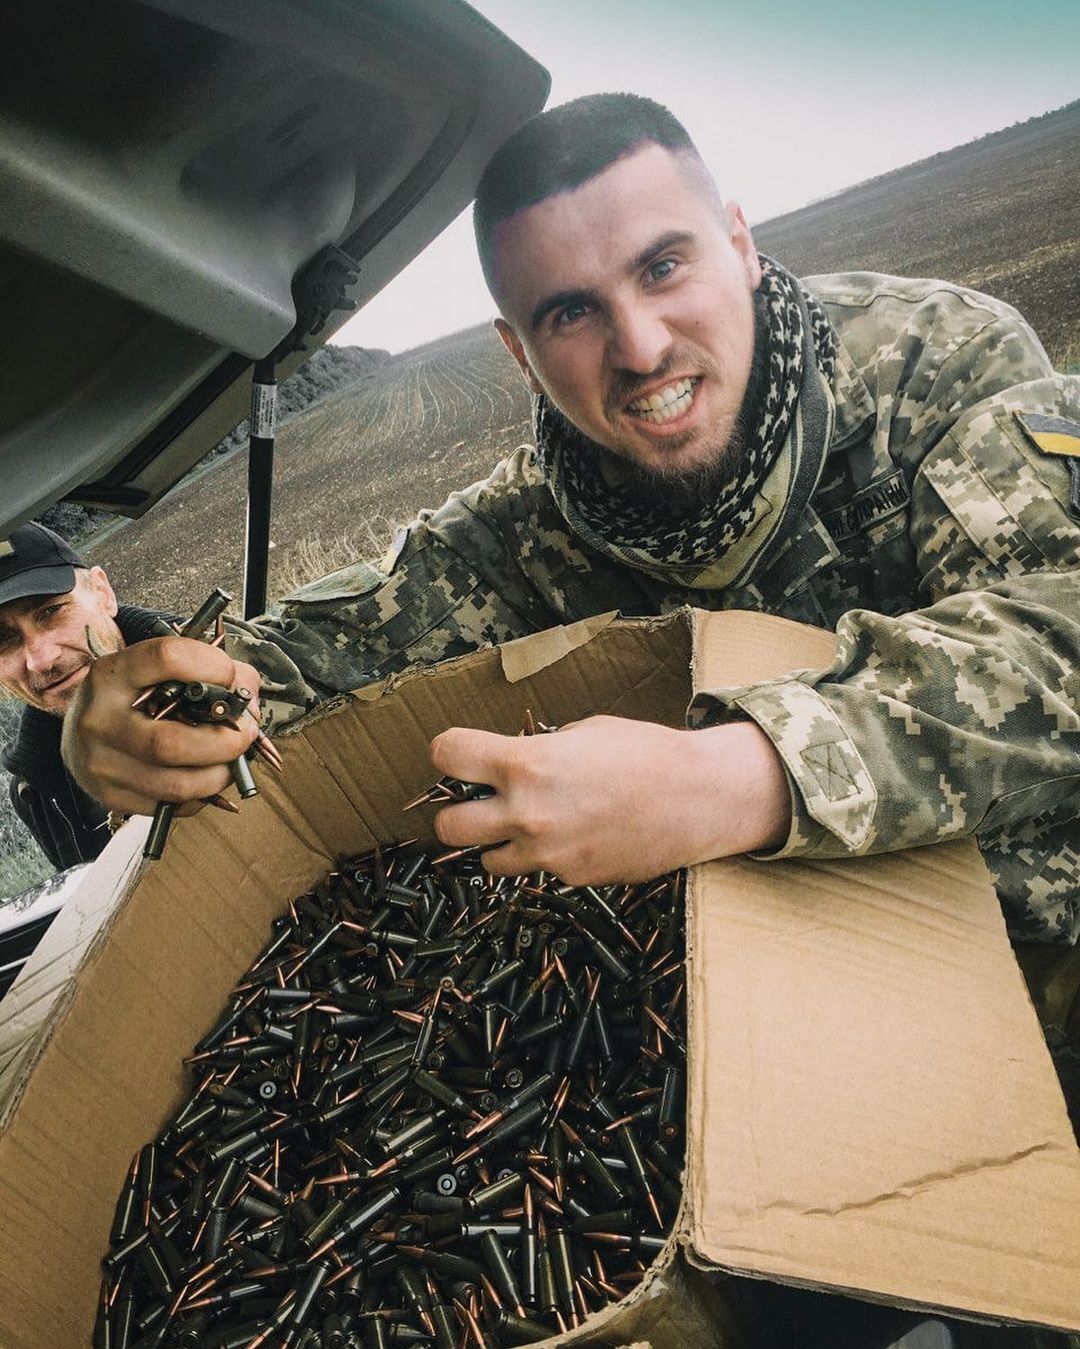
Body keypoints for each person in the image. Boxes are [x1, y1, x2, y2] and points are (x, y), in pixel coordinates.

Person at [58, 93, 1080, 947]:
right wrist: (121, 718)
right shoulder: (524, 531)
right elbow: (289, 670)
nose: (640, 348)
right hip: (803, 987)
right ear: (519, 353)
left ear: (740, 245)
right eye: (571, 313)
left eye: (664, 268)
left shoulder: (935, 361)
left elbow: (1058, 632)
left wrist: (731, 777)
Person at [0, 523, 162, 868]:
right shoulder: (35, 790)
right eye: (3, 640)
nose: (42, 660)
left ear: (103, 593)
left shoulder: (250, 671)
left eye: (50, 611)